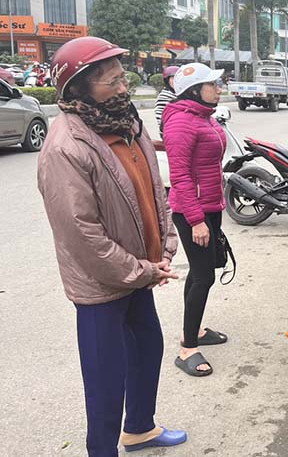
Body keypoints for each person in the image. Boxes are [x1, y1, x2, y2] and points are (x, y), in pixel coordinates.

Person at [37, 36, 187, 456]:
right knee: (106, 383)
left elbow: (154, 189)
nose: (124, 88)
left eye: (124, 78)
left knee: (148, 349)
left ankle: (139, 428)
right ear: (80, 87)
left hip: (138, 272)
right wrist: (140, 270)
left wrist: (166, 242)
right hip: (102, 286)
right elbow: (81, 234)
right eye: (112, 81)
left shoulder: (126, 122)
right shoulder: (65, 147)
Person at [162, 62, 228, 377]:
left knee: (203, 271)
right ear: (194, 89)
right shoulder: (181, 123)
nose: (219, 88)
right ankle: (187, 347)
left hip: (210, 207)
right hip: (193, 211)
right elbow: (181, 177)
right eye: (213, 84)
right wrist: (197, 220)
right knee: (204, 276)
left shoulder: (203, 117)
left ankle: (195, 330)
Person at [154, 65, 179, 136]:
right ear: (167, 81)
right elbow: (161, 119)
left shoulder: (182, 94)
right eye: (173, 78)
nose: (176, 81)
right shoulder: (165, 96)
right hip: (171, 133)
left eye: (178, 78)